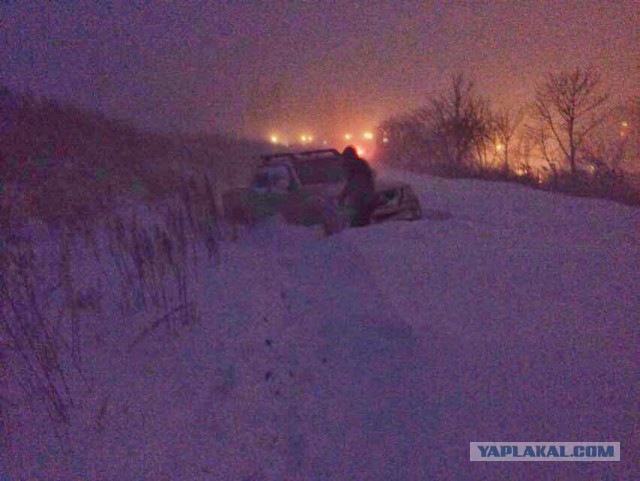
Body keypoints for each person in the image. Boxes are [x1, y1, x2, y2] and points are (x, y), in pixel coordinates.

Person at [337, 146, 376, 227]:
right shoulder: (362, 164)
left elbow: (353, 184)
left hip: (361, 202)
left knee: (359, 225)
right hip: (367, 200)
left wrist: (342, 196)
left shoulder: (354, 167)